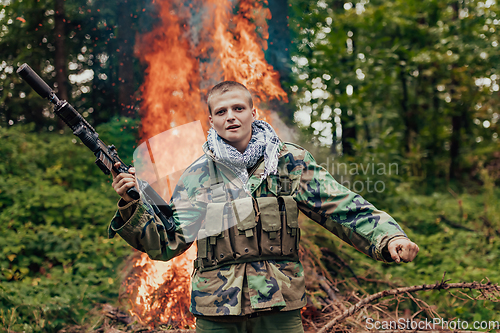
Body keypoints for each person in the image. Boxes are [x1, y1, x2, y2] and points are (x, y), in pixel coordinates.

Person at [108, 81, 419, 333]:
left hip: (279, 308)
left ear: (253, 113)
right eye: (222, 111)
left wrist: (389, 237)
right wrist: (131, 204)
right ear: (212, 121)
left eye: (238, 108)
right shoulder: (198, 175)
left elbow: (341, 207)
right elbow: (168, 241)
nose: (231, 116)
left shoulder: (290, 163)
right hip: (216, 312)